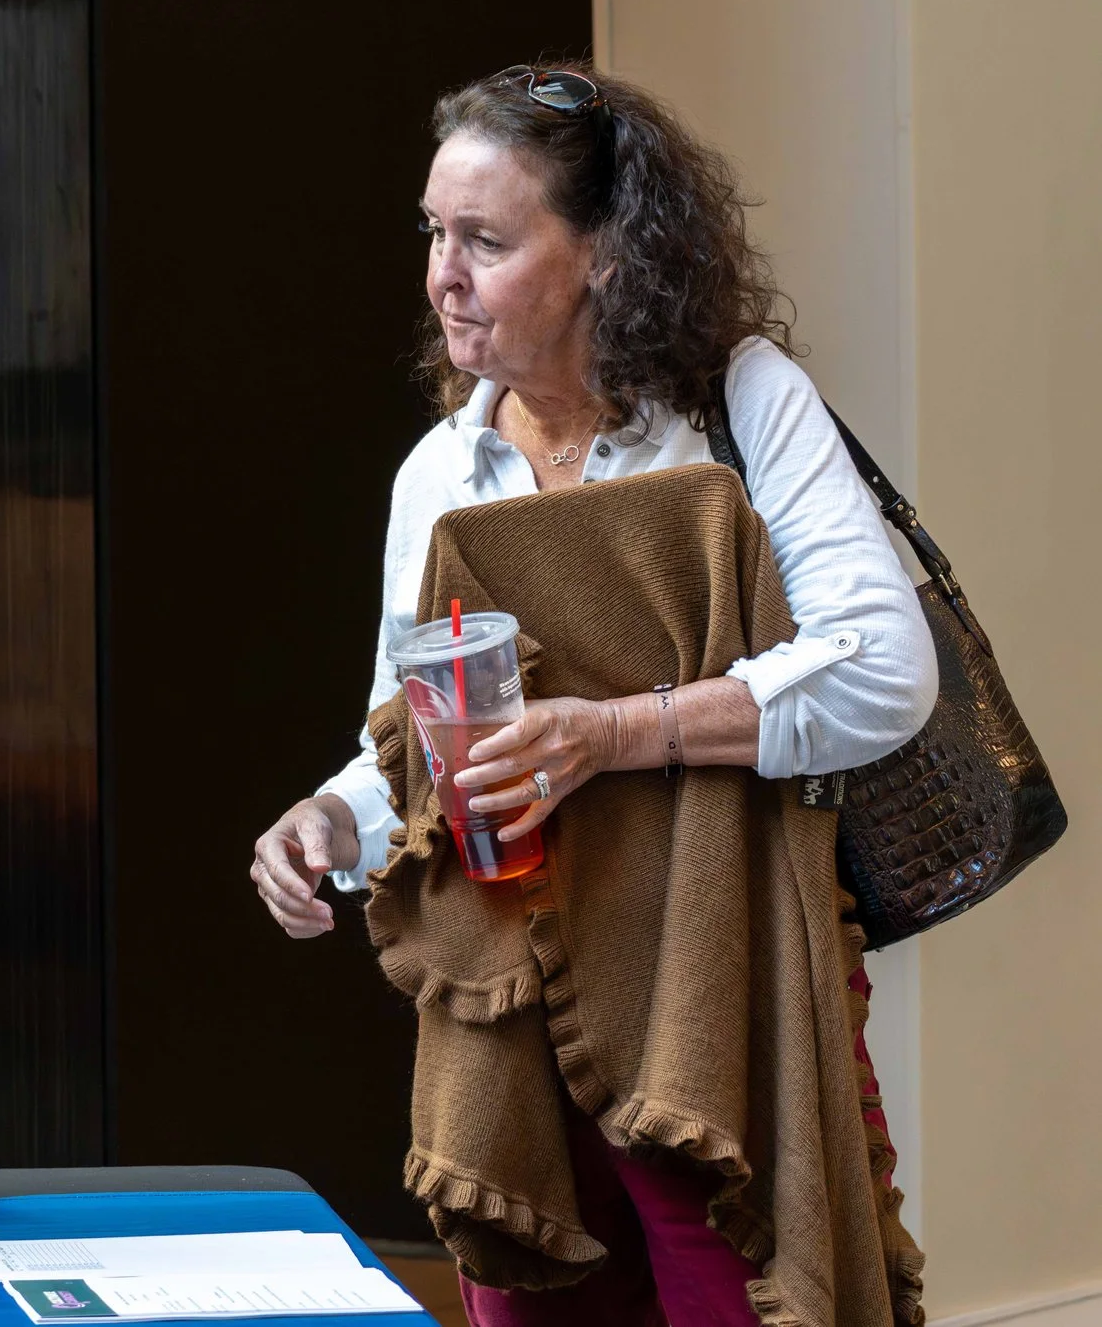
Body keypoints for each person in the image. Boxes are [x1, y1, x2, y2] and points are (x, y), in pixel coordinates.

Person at [249, 66, 938, 1325]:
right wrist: (331, 822)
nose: (439, 275)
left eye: (486, 242)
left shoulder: (734, 407)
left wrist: (613, 734)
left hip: (712, 994)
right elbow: (409, 743)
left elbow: (883, 668)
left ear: (609, 257)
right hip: (510, 1019)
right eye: (433, 233)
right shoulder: (439, 471)